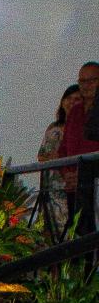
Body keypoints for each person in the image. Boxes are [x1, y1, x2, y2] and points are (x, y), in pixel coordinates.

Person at [59, 61, 99, 232]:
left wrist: (84, 176)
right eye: (82, 81)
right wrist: (67, 175)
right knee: (78, 237)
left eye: (91, 81)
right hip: (74, 190)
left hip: (95, 189)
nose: (85, 85)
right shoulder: (75, 111)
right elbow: (63, 150)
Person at [37, 84, 80, 237]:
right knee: (50, 230)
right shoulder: (54, 127)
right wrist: (55, 157)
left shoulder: (83, 129)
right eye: (68, 98)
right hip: (52, 187)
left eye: (76, 99)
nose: (71, 102)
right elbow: (41, 156)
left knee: (70, 229)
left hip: (70, 185)